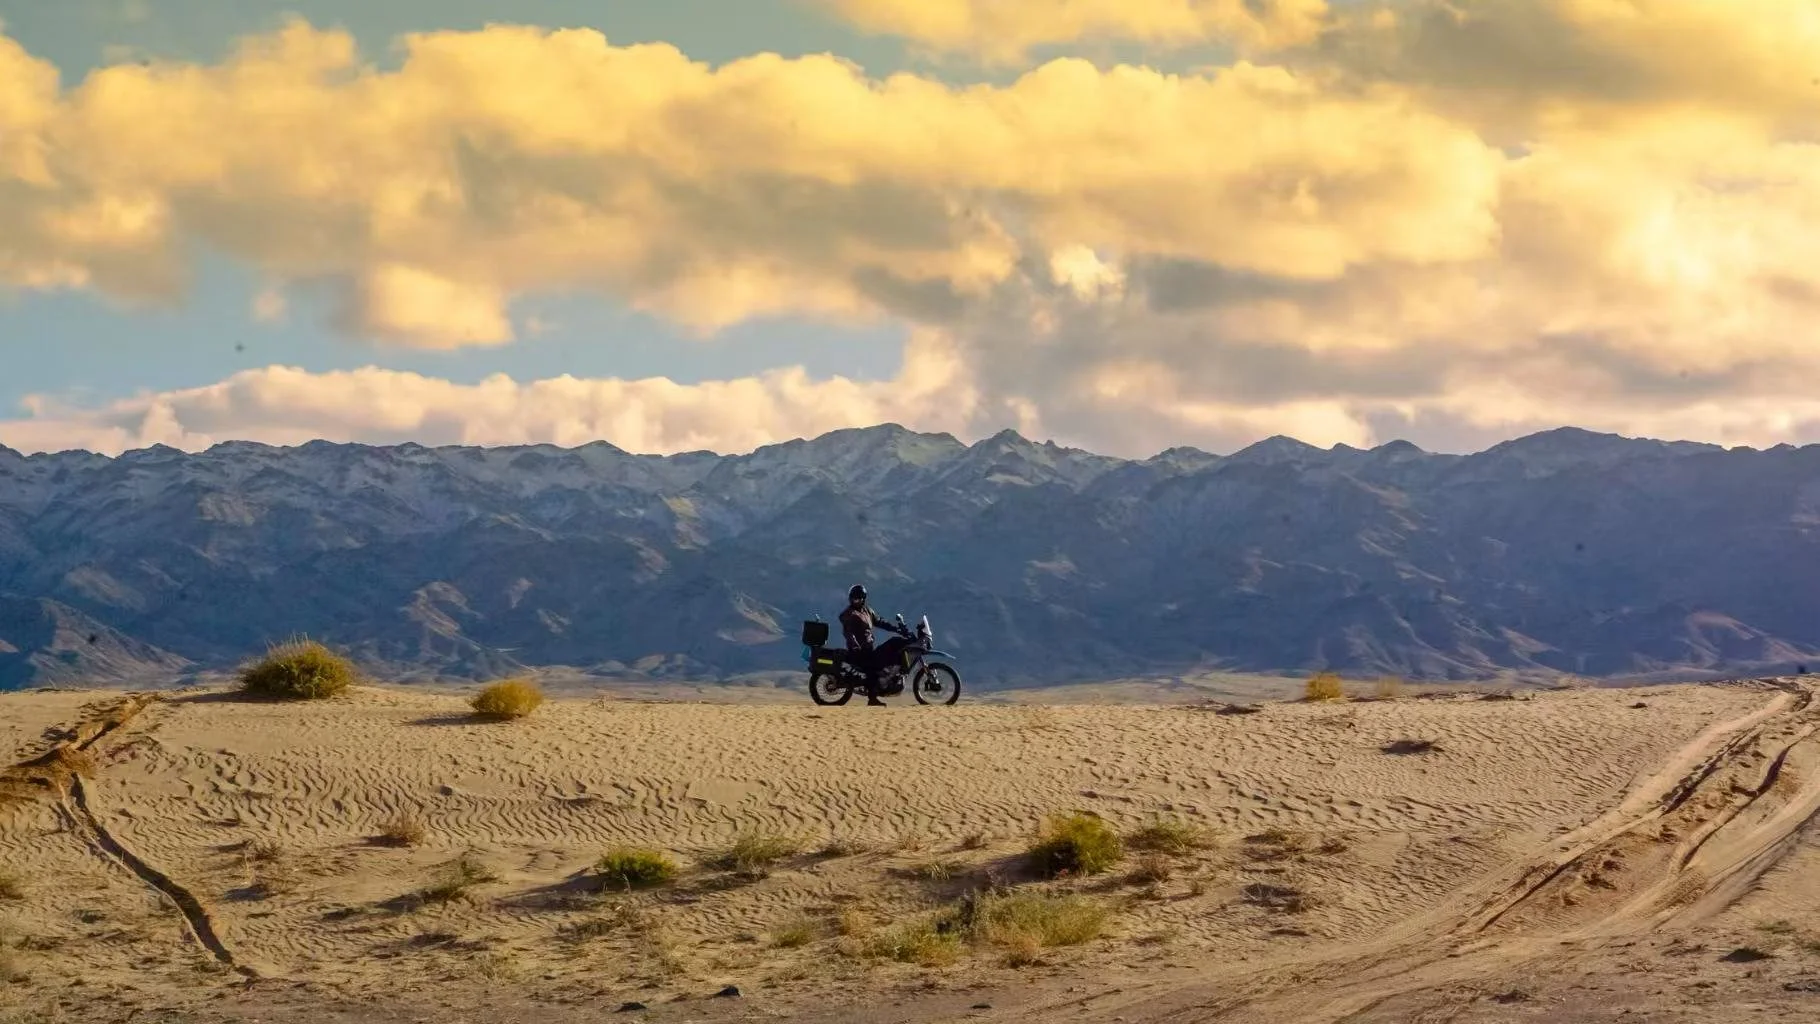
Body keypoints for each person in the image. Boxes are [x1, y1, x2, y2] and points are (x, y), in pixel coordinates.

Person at [840, 583, 909, 706]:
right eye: (853, 598)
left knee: (894, 642)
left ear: (863, 599)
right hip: (858, 651)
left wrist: (897, 629)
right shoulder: (849, 614)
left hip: (868, 648)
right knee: (873, 668)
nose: (854, 601)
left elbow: (880, 622)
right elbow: (848, 632)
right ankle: (872, 698)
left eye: (857, 598)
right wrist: (855, 645)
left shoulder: (867, 610)